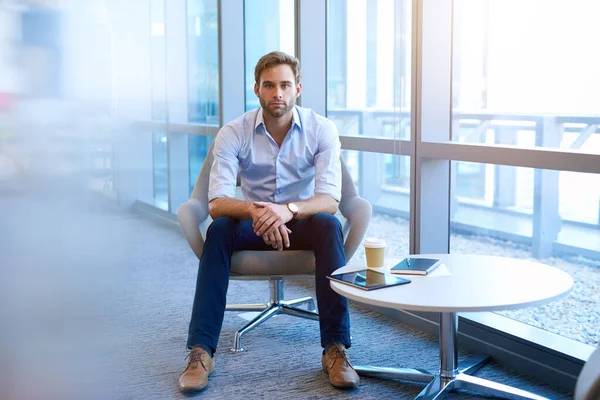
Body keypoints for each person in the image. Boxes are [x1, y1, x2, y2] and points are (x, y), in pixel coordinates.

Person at [178, 51, 360, 392]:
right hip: (251, 223)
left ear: (298, 89)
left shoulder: (321, 129)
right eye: (269, 85)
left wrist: (287, 210)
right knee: (219, 230)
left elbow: (330, 200)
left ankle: (335, 348)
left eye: (285, 85)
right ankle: (201, 351)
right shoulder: (233, 132)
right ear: (257, 90)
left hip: (301, 221)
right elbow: (217, 203)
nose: (278, 92)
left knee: (328, 225)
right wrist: (261, 212)